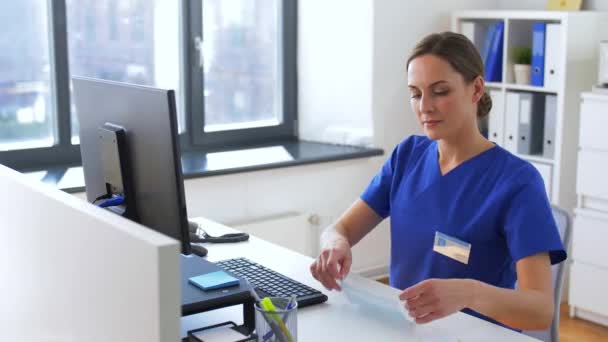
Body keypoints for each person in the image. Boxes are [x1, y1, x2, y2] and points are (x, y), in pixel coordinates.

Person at [309, 31, 566, 331]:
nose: (424, 106)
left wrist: (469, 293)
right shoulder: (408, 156)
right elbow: (339, 229)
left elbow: (539, 311)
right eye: (416, 94)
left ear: (476, 89)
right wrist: (335, 244)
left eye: (440, 91)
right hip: (406, 330)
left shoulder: (517, 182)